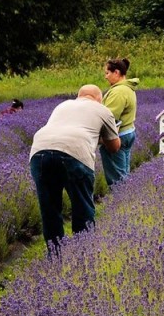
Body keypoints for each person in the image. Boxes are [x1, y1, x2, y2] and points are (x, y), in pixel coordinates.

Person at [29, 85, 121, 253]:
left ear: (79, 96)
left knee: (50, 209)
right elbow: (114, 147)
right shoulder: (103, 110)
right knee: (82, 207)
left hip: (39, 152)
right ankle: (82, 256)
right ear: (98, 98)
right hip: (75, 155)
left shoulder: (62, 105)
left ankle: (56, 258)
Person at [100, 57, 139, 186]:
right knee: (124, 173)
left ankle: (123, 201)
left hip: (118, 136)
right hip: (128, 132)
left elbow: (108, 118)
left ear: (116, 72)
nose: (106, 77)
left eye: (107, 73)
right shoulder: (127, 88)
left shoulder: (118, 92)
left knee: (118, 179)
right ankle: (126, 199)